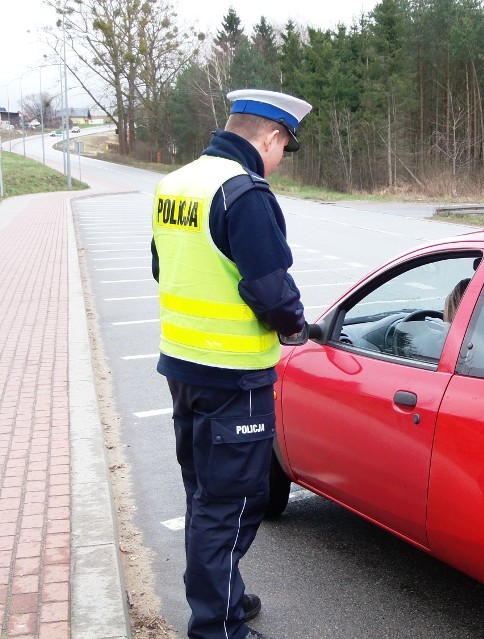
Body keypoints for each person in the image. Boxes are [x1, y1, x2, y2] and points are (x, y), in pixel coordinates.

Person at [150, 88, 312, 639]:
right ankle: (216, 627)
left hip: (183, 370)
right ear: (271, 137)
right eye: (283, 149)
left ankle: (226, 599)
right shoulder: (243, 193)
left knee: (205, 496)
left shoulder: (176, 184)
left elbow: (161, 268)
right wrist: (295, 326)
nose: (279, 162)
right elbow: (271, 290)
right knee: (234, 504)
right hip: (234, 379)